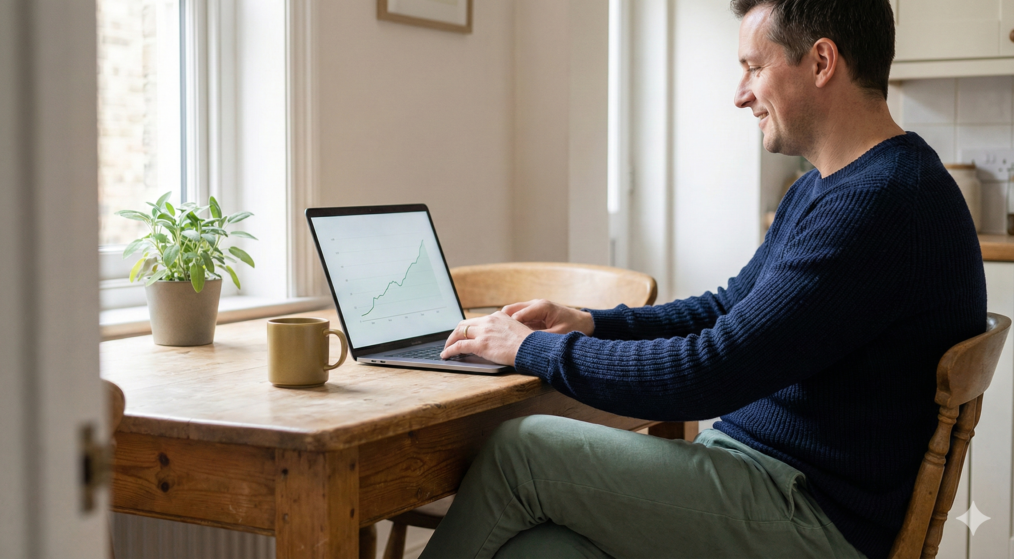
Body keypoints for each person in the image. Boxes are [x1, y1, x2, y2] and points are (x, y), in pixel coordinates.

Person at [421, 0, 986, 557]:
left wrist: (534, 349)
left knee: (522, 450)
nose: (740, 94)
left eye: (753, 67)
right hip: (760, 476)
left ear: (821, 62)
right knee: (538, 550)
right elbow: (729, 307)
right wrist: (591, 323)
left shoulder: (882, 202)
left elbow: (715, 368)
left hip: (812, 516)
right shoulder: (829, 186)